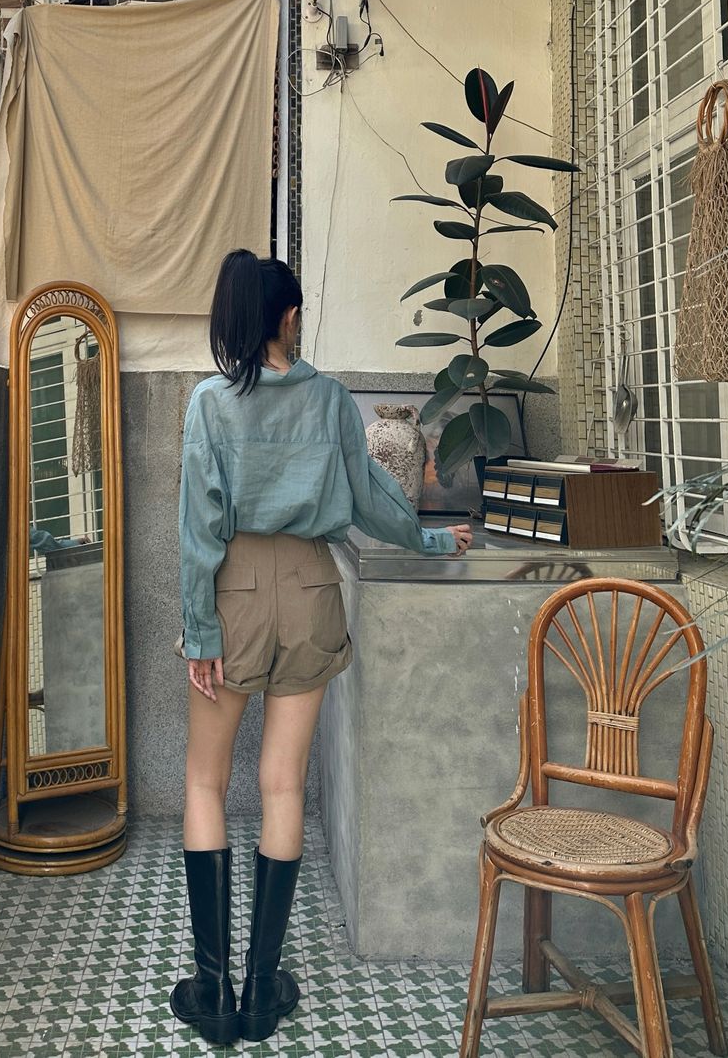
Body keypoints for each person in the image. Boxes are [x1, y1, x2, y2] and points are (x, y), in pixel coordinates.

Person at [168, 249, 473, 1044]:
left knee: (204, 781)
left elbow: (199, 528)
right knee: (283, 784)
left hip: (234, 592)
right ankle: (262, 992)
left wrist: (201, 629)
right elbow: (372, 500)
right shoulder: (333, 399)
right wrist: (431, 541)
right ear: (288, 315)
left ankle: (213, 991)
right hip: (310, 589)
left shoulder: (209, 403)